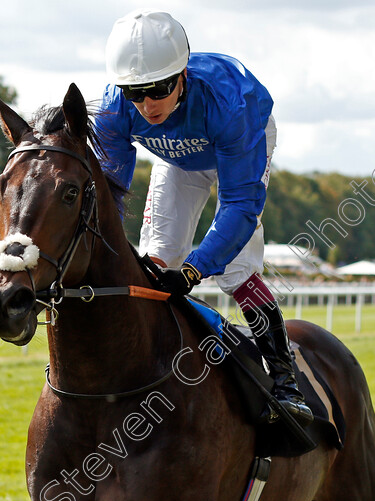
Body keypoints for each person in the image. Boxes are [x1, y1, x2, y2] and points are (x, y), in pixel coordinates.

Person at [94, 9, 313, 426]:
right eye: (134, 92)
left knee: (236, 270)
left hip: (240, 146)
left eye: (157, 89)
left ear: (182, 75)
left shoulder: (230, 103)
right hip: (176, 160)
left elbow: (239, 208)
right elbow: (112, 198)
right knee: (157, 259)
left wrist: (195, 271)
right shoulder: (114, 109)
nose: (146, 105)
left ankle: (286, 383)